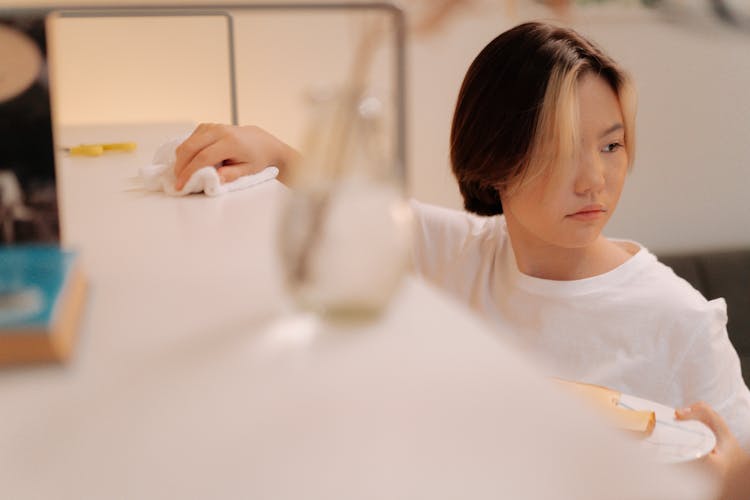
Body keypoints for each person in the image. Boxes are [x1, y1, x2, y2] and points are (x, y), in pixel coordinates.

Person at [172, 21, 750, 452]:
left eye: (610, 145)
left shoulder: (682, 323)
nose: (594, 179)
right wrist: (264, 147)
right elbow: (349, 201)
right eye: (562, 148)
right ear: (492, 160)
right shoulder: (465, 252)